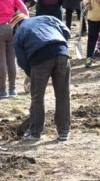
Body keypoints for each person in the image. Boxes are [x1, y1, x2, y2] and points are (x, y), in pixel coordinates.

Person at [10, 12, 71, 141]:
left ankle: (35, 133)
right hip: (62, 53)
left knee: (37, 97)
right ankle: (64, 132)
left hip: (40, 58)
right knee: (63, 95)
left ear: (15, 26)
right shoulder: (48, 18)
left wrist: (30, 73)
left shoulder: (19, 32)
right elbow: (66, 32)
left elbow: (22, 60)